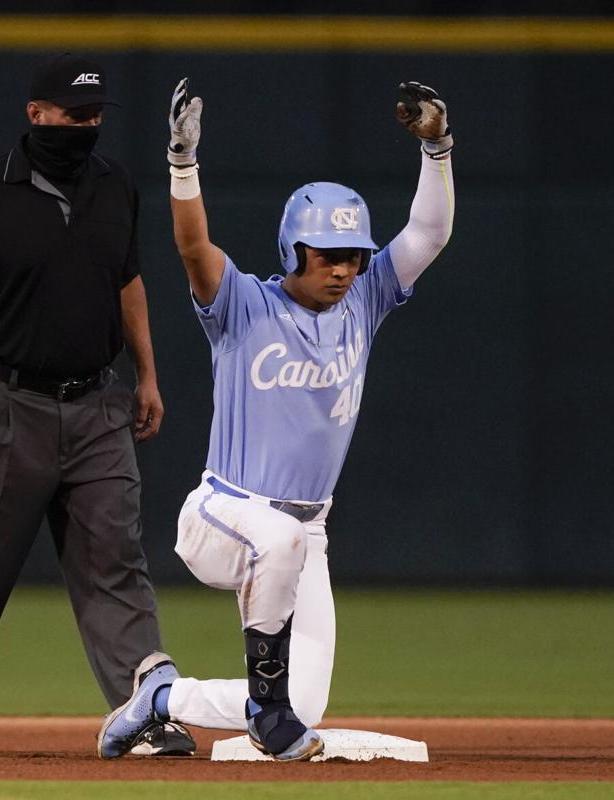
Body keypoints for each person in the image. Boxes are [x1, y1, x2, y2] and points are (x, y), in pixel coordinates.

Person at [95, 77, 455, 760]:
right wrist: (182, 163)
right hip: (223, 514)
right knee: (279, 554)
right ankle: (265, 713)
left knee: (308, 699)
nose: (346, 269)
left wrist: (436, 147)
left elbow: (429, 233)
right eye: (329, 255)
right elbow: (194, 250)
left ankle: (162, 697)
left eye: (353, 255)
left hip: (304, 529)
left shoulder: (366, 300)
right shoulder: (244, 307)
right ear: (294, 251)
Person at [0, 53, 194, 757]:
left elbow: (128, 280)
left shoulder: (115, 186)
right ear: (36, 114)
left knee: (117, 560)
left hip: (99, 403)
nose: (87, 126)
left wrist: (148, 375)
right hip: (6, 403)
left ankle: (145, 711)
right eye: (75, 114)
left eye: (96, 115)